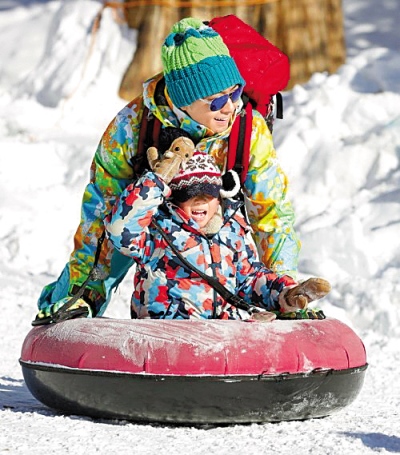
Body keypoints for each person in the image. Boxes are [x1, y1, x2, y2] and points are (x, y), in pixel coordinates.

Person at [34, 17, 302, 324]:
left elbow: (272, 214)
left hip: (218, 225)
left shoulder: (248, 129)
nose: (230, 107)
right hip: (145, 221)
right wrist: (83, 293)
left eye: (235, 92)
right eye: (217, 101)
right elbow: (100, 219)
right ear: (185, 100)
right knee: (115, 233)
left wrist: (286, 290)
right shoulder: (131, 128)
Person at [103, 146, 330, 321]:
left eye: (209, 194)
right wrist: (157, 181)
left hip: (222, 336)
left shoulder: (232, 231)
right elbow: (119, 229)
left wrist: (286, 293)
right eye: (190, 193)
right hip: (168, 334)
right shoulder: (157, 230)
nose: (200, 200)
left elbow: (250, 279)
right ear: (173, 197)